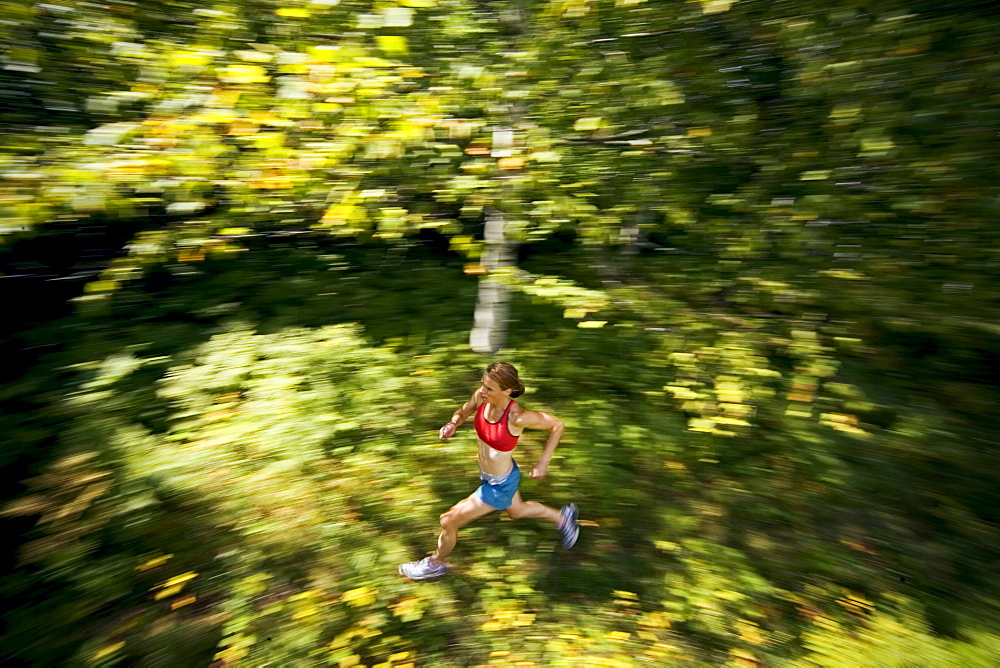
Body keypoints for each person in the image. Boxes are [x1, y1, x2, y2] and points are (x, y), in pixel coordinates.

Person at [399, 362, 579, 581]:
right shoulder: (482, 398)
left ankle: (435, 563)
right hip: (497, 475)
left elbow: (557, 425)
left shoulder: (517, 417)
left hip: (500, 484)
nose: (483, 392)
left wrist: (543, 463)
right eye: (483, 385)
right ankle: (562, 517)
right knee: (517, 511)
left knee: (448, 520)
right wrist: (453, 424)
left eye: (490, 389)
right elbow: (464, 410)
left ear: (507, 391)